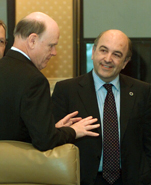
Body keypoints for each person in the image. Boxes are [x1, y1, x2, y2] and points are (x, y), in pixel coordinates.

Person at [52, 29, 151, 185]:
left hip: (131, 180)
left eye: (117, 54)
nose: (108, 59)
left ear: (125, 62)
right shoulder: (66, 91)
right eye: (103, 50)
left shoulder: (142, 92)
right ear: (93, 52)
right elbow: (53, 140)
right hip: (83, 179)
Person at [0, 12, 100, 152]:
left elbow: (14, 128)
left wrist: (52, 130)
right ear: (32, 40)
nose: (54, 52)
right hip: (19, 171)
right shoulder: (34, 80)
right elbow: (45, 141)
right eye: (51, 45)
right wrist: (73, 131)